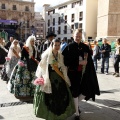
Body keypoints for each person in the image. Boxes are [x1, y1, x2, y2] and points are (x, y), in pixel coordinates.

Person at [62, 29, 100, 120]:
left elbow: (89, 61)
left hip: (84, 74)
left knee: (86, 91)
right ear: (73, 36)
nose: (78, 37)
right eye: (76, 35)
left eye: (79, 35)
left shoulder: (85, 47)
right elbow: (65, 61)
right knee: (75, 92)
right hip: (73, 74)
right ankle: (77, 113)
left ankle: (74, 105)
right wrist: (79, 62)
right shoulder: (69, 47)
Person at [34, 39, 75, 120]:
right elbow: (44, 66)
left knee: (61, 95)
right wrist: (64, 78)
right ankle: (50, 115)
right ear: (52, 45)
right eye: (55, 45)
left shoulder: (60, 55)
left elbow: (62, 66)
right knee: (49, 96)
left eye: (58, 45)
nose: (57, 47)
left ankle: (60, 115)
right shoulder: (48, 55)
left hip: (58, 77)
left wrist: (64, 76)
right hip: (49, 76)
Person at [7, 35, 39, 101]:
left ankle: (33, 92)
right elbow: (22, 57)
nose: (33, 42)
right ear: (29, 41)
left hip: (33, 64)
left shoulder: (35, 47)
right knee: (24, 79)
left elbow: (36, 56)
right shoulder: (25, 48)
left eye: (34, 41)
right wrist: (21, 63)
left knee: (34, 77)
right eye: (32, 41)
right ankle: (23, 93)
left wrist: (38, 61)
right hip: (26, 64)